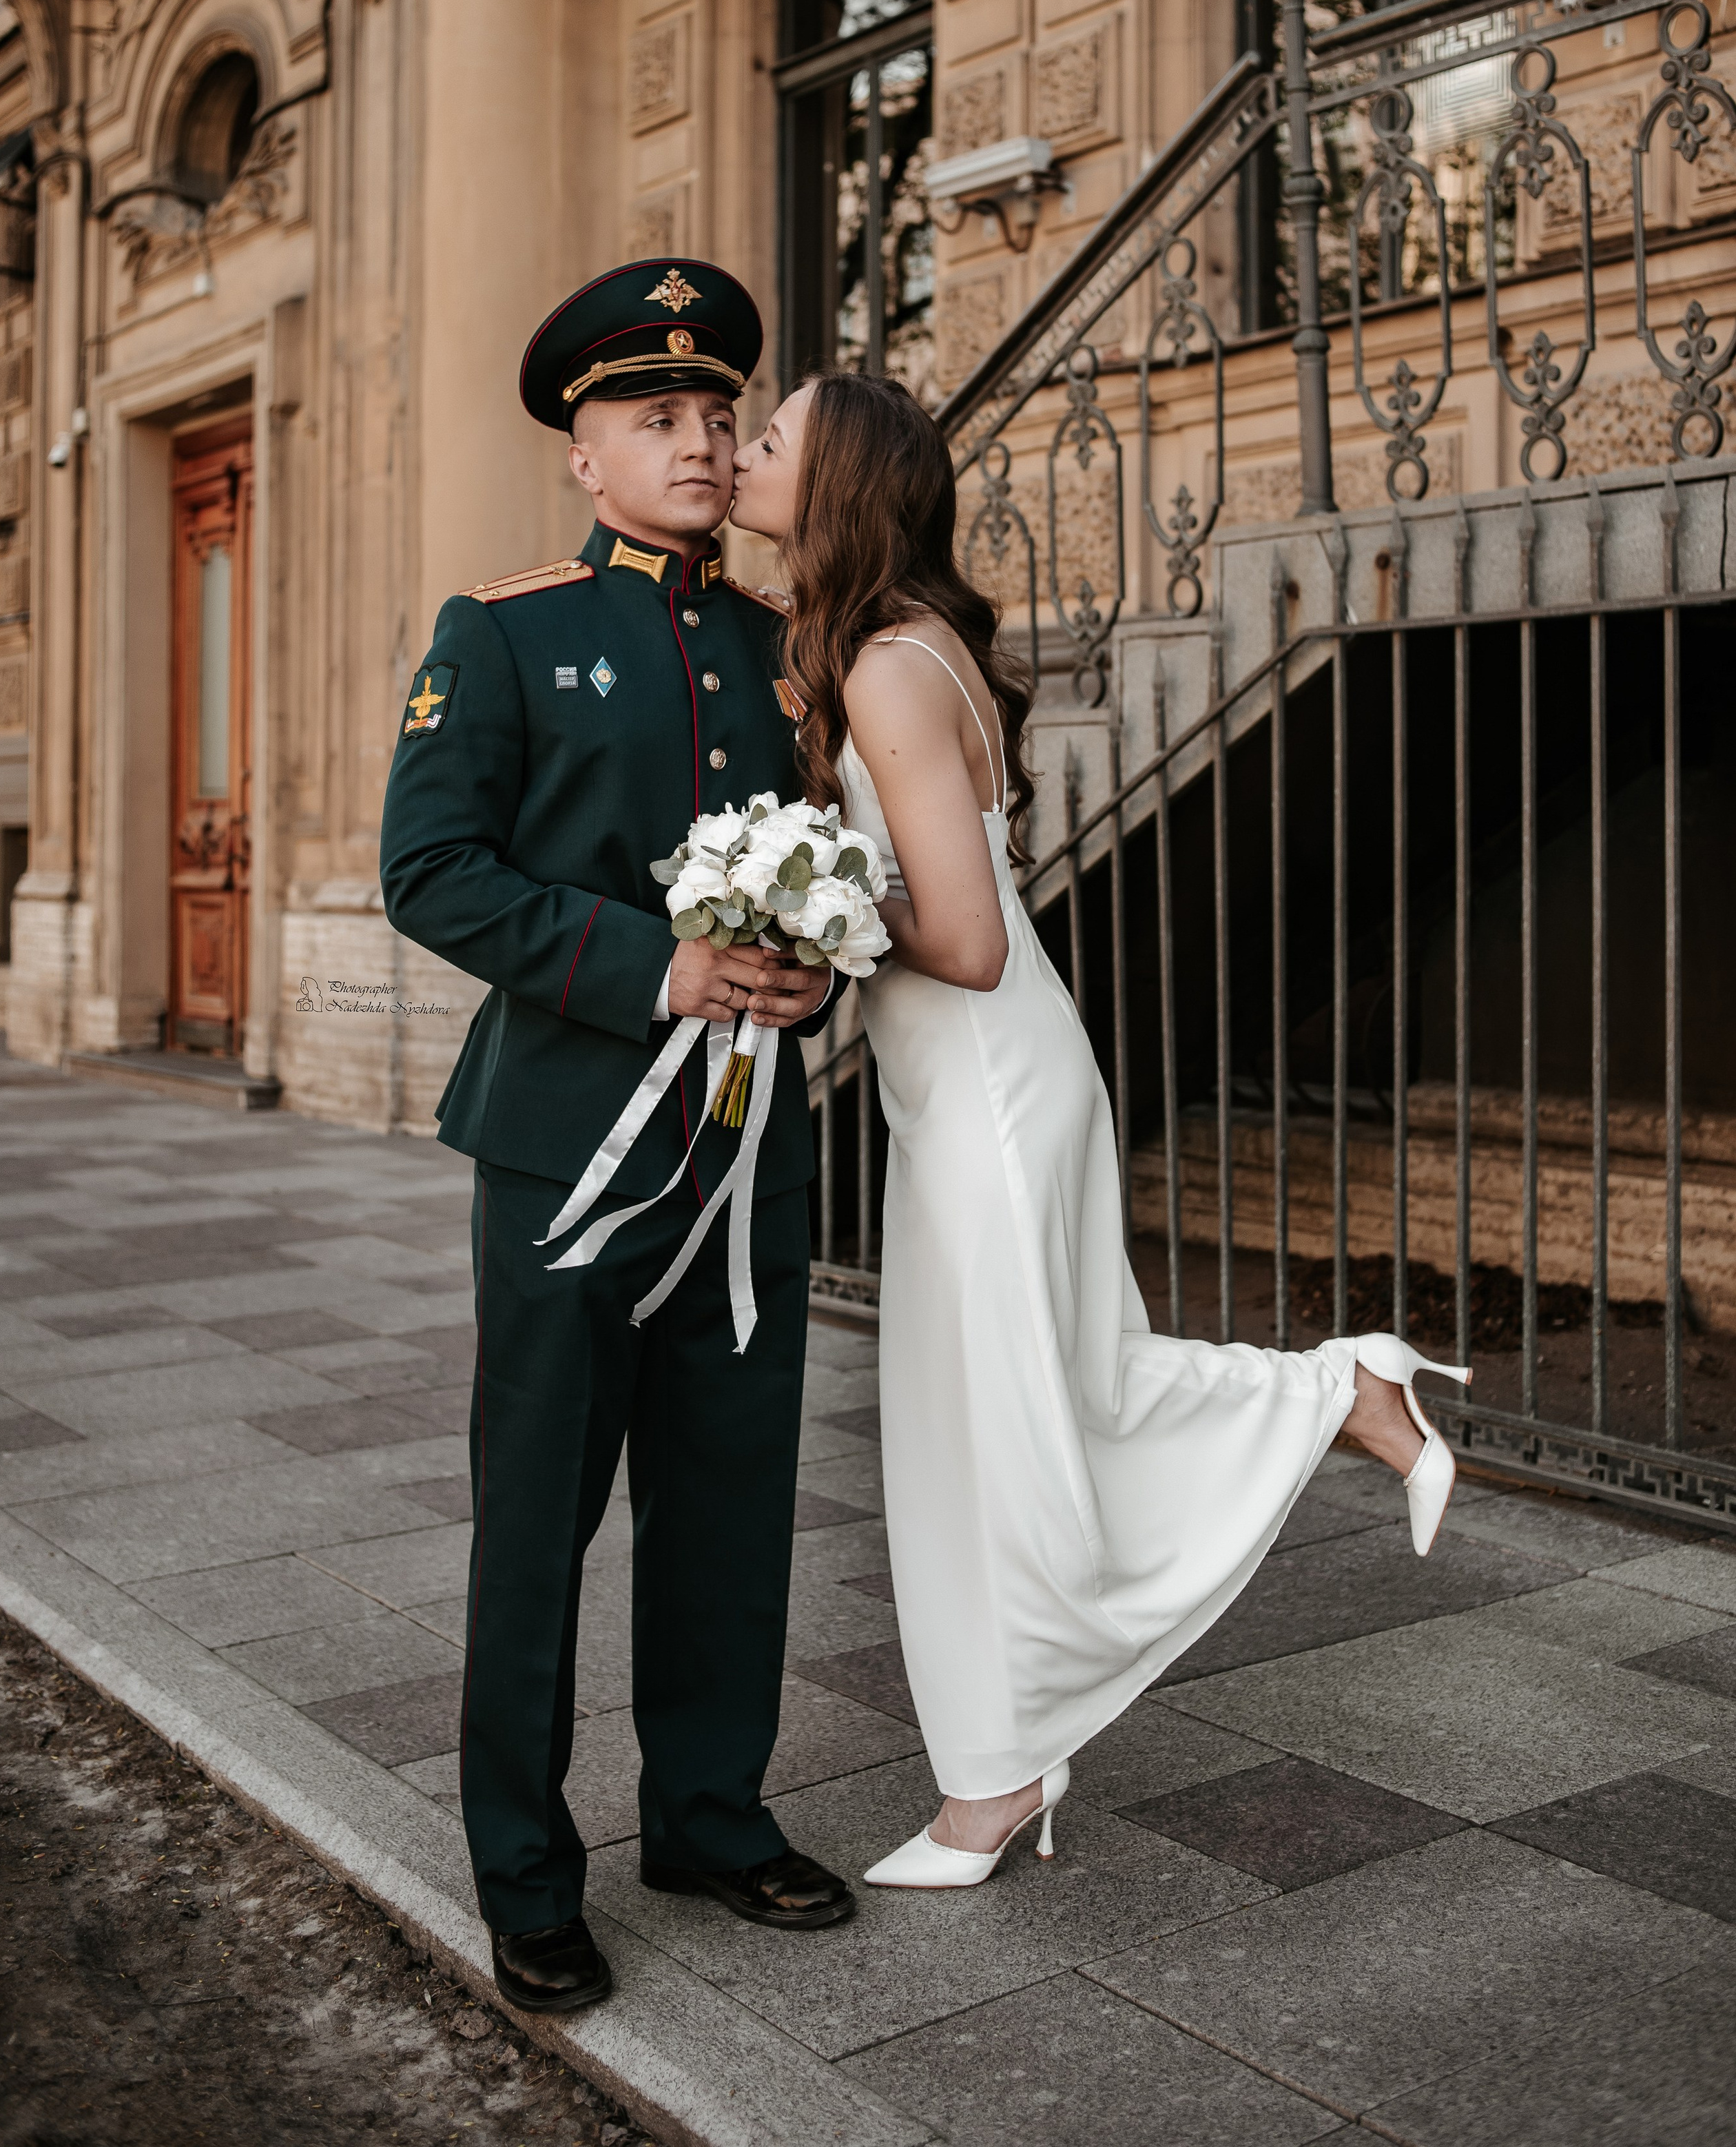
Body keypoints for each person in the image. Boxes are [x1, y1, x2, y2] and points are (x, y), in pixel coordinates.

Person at [729, 369, 1471, 1890]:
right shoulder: (897, 646)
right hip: (988, 1085)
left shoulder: (881, 664)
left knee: (998, 1430)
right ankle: (1330, 1399)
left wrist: (805, 903)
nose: (734, 455)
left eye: (767, 441)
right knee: (1030, 1407)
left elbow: (967, 937)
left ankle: (995, 1779)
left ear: (836, 487)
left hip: (992, 1083)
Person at [380, 261, 854, 2017]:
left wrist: (807, 968)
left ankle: (710, 1818)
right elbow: (428, 871)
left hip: (748, 1151)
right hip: (566, 1149)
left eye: (721, 415)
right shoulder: (500, 629)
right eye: (657, 417)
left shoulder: (779, 644)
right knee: (541, 1517)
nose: (702, 444)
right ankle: (523, 1865)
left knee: (729, 1504)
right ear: (584, 454)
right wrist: (654, 967)